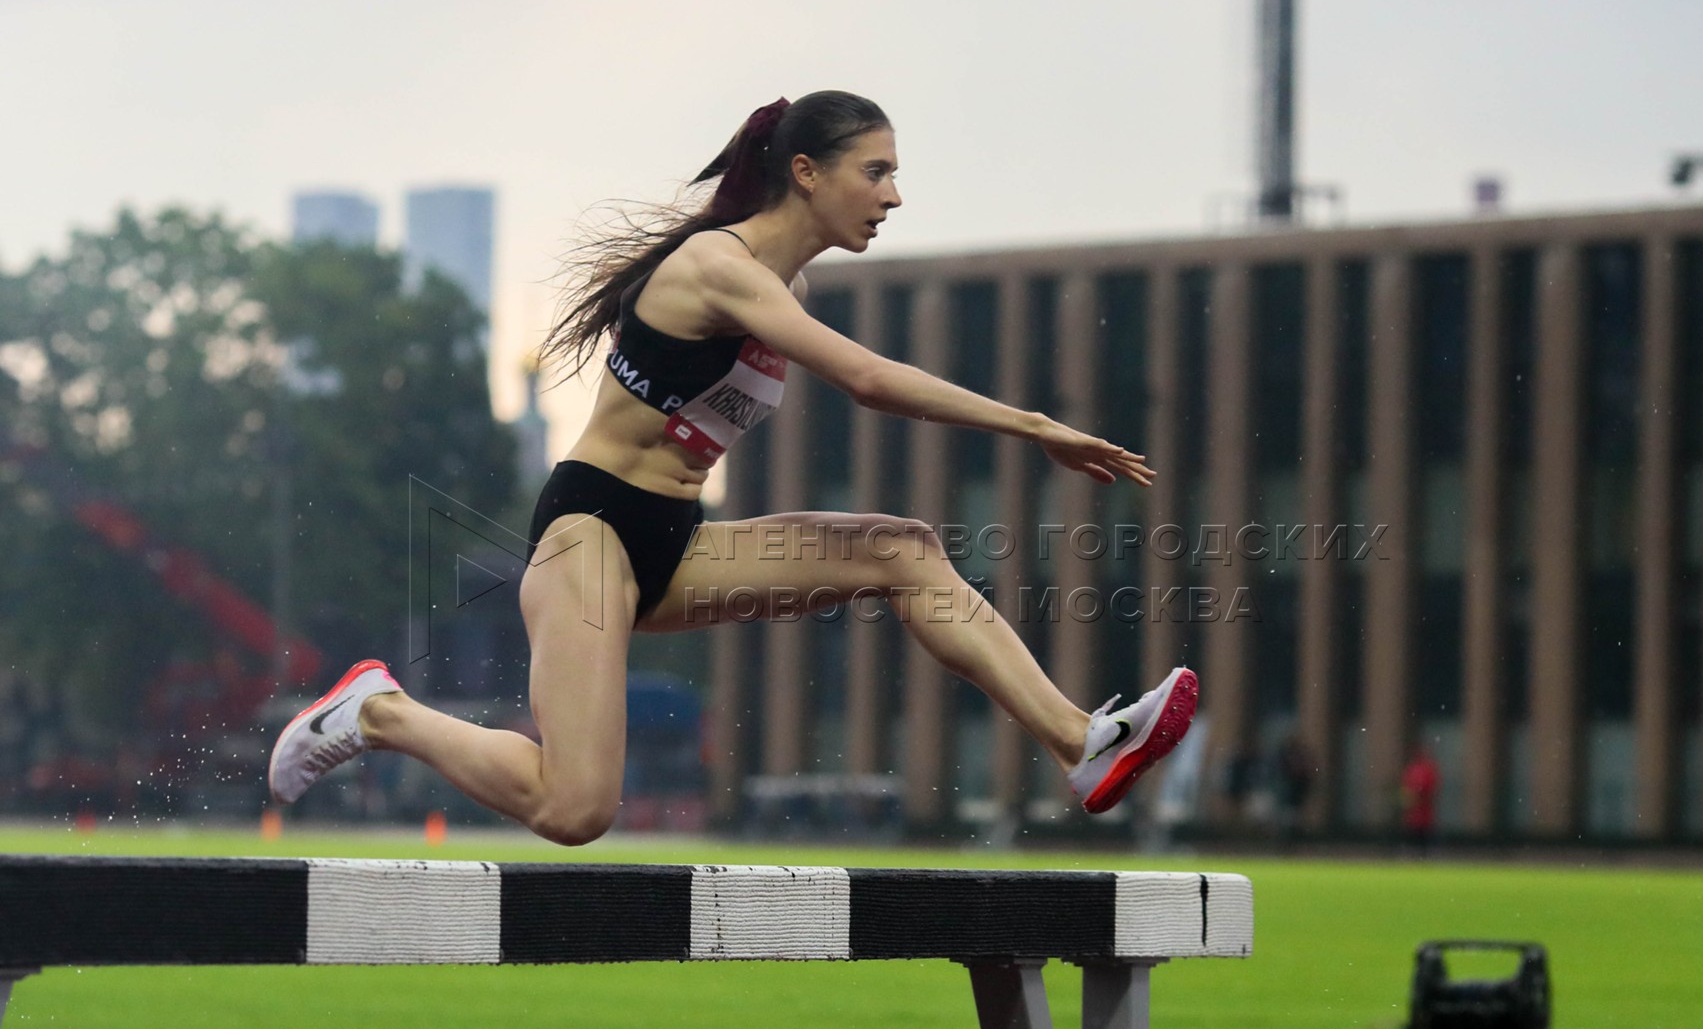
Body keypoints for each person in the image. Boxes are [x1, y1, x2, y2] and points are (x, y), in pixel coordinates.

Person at [267, 91, 1198, 845]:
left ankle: (1080, 742)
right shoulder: (718, 266)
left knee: (905, 551)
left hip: (678, 541)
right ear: (807, 172)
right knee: (575, 808)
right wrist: (1035, 425)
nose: (893, 197)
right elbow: (869, 381)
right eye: (876, 172)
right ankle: (382, 713)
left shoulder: (786, 284)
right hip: (590, 533)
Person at [1400, 742, 1441, 852]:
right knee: (1415, 839)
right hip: (1414, 815)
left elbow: (1428, 790)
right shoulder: (1413, 769)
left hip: (1423, 814)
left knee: (1423, 840)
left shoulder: (1424, 769)